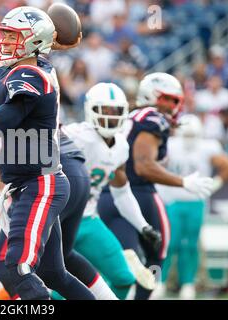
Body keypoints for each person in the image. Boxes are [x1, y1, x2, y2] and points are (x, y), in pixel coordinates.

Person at [0, 6, 95, 300]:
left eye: (14, 36)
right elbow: (3, 75)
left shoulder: (29, 75)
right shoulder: (26, 70)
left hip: (40, 184)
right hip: (28, 183)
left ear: (34, 41)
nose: (5, 42)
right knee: (47, 271)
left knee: (17, 266)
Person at [97, 72, 214, 300]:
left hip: (107, 195)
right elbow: (143, 166)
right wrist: (183, 182)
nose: (173, 105)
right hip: (139, 194)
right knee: (156, 254)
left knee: (119, 266)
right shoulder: (153, 120)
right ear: (156, 97)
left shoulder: (130, 116)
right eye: (170, 99)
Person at [63, 82, 162, 299]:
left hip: (88, 219)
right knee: (48, 282)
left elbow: (122, 192)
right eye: (104, 110)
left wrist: (142, 225)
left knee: (123, 278)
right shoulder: (73, 135)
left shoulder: (121, 147)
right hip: (58, 221)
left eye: (115, 111)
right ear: (91, 109)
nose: (110, 116)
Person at [154, 114, 228, 299]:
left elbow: (226, 165)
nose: (189, 139)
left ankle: (187, 283)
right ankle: (161, 282)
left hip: (195, 203)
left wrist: (216, 183)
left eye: (192, 135)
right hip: (173, 201)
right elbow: (153, 164)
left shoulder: (207, 147)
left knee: (190, 245)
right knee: (169, 244)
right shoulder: (170, 144)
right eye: (186, 135)